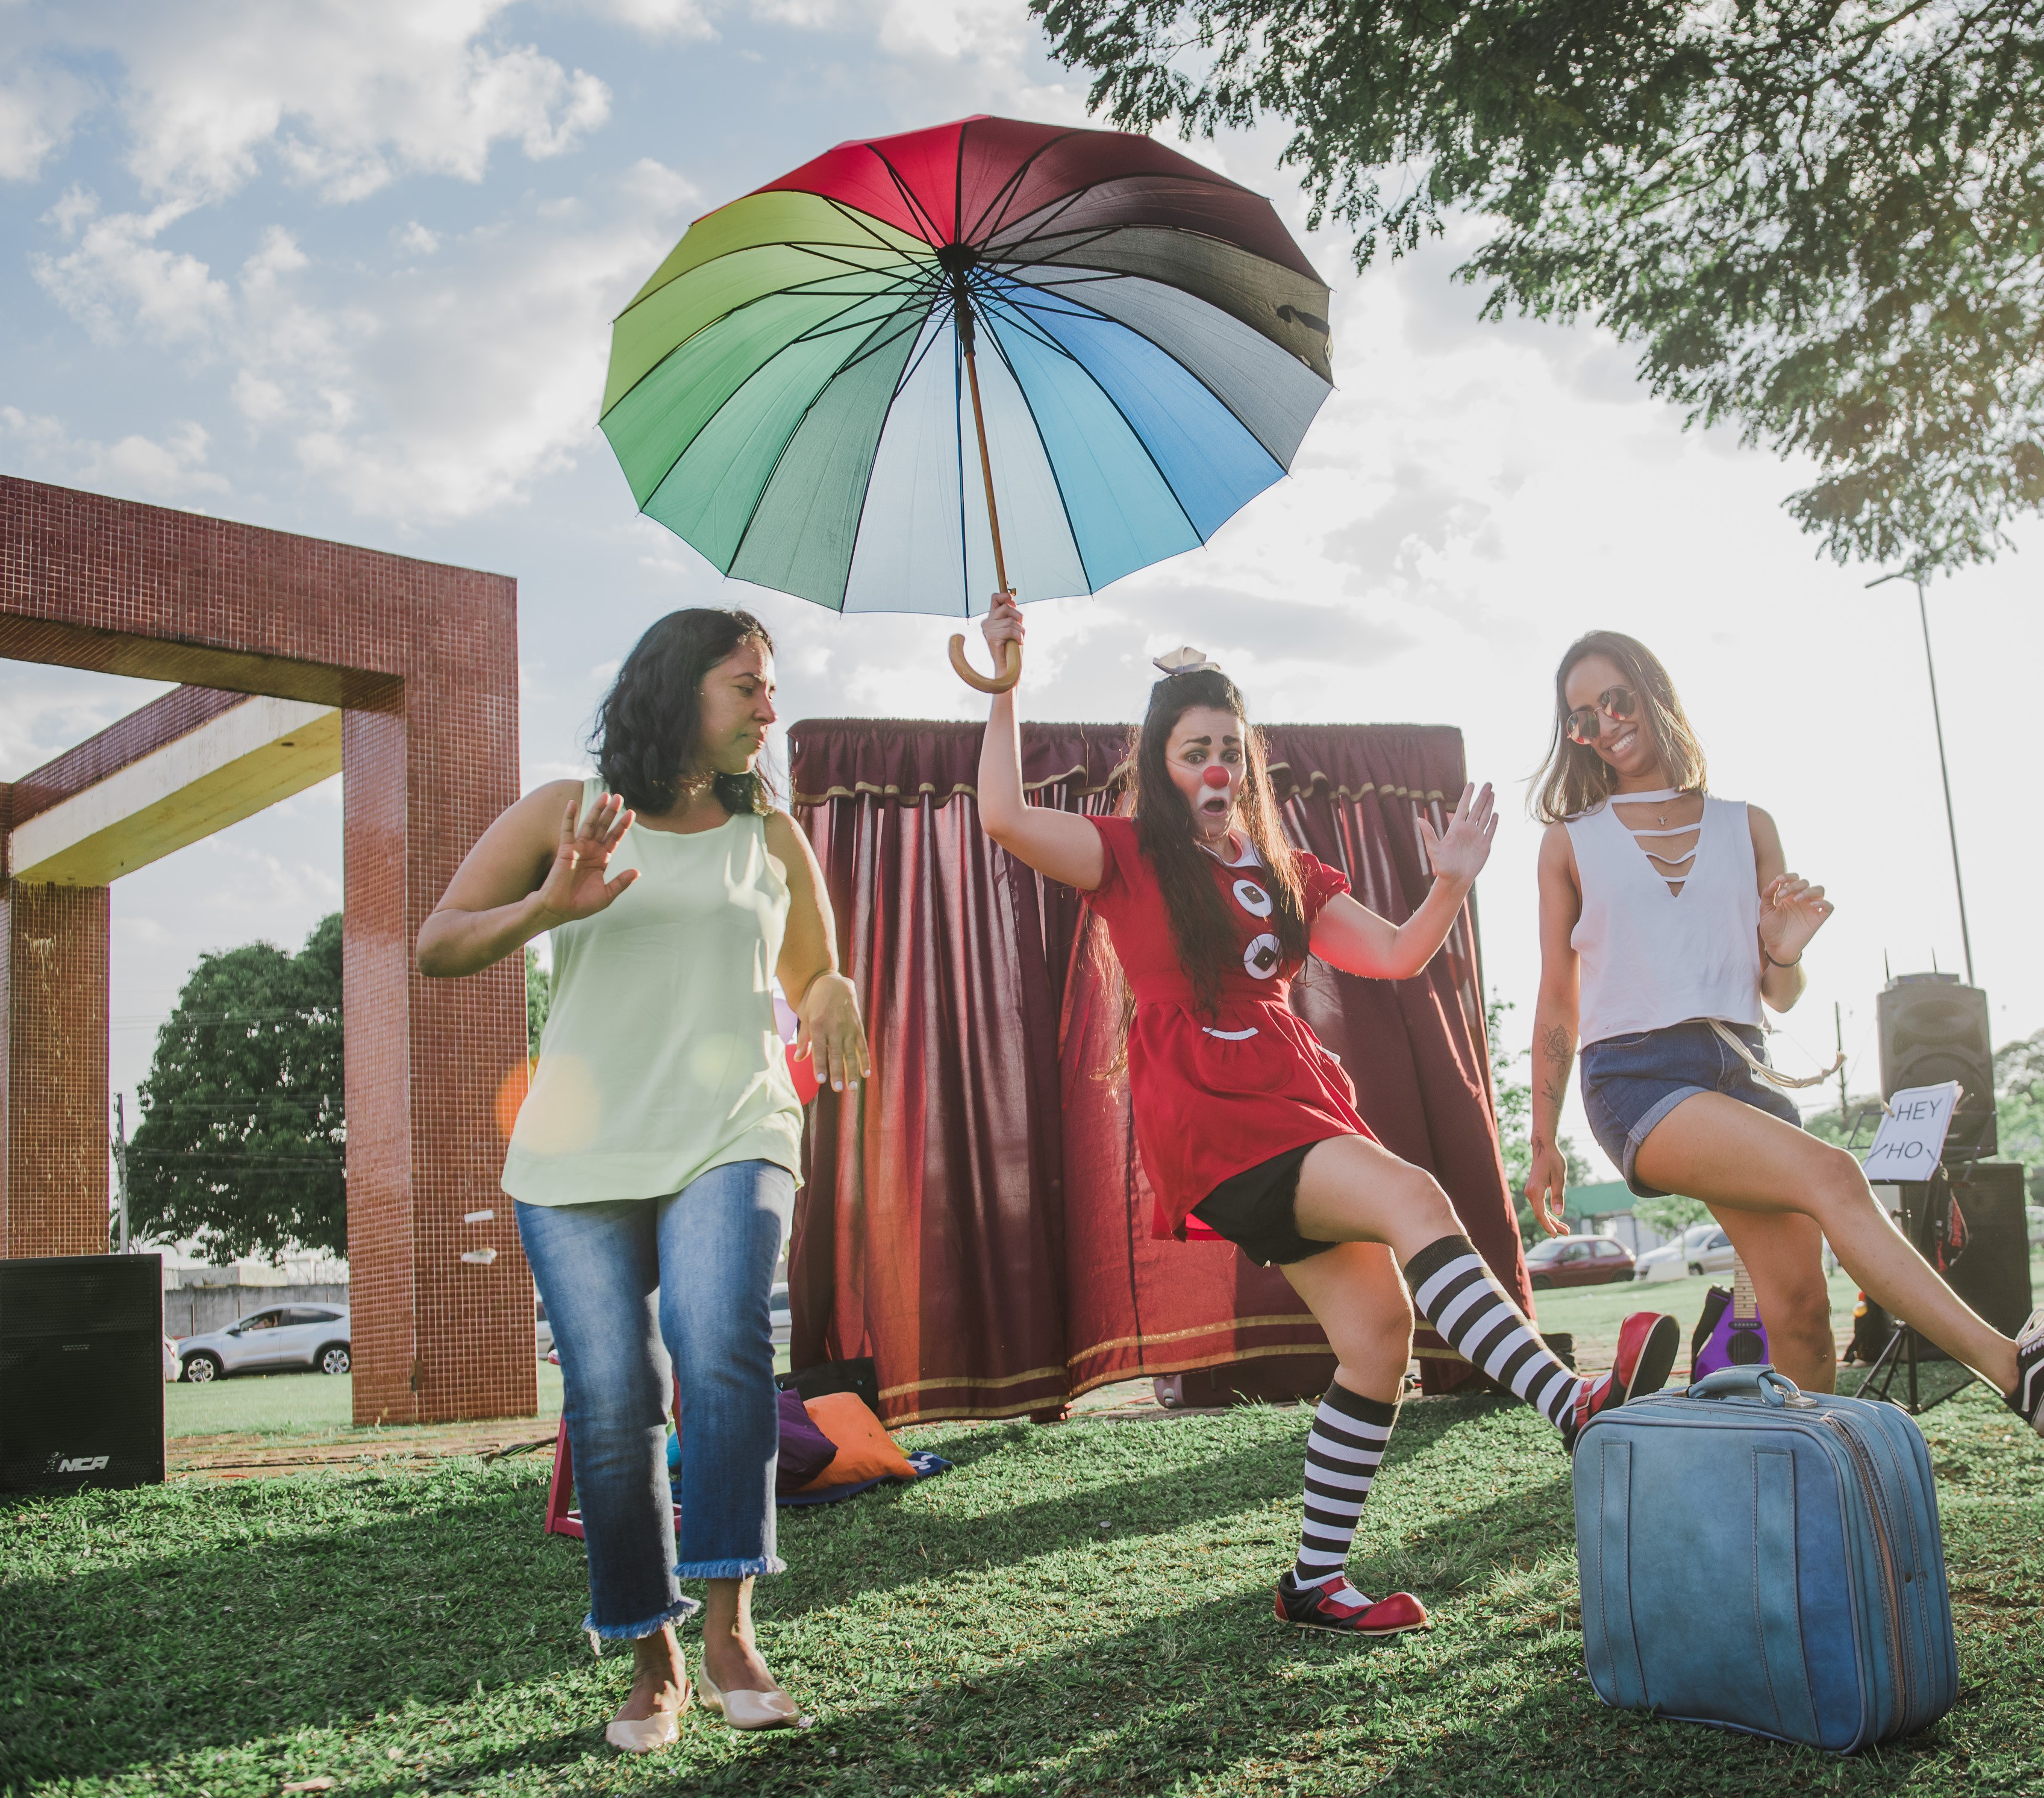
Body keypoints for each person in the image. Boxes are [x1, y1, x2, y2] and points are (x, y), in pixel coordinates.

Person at [971, 596, 1678, 1638]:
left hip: (1298, 1097)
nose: (1213, 762)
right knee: (1413, 1195)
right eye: (1191, 747)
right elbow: (1003, 816)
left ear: (1249, 761)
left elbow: (1395, 953)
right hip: (1214, 1114)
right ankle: (1570, 1404)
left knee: (1379, 1335)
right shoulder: (1123, 849)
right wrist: (1005, 684)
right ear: (1161, 763)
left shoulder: (1285, 870)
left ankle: (1314, 1579)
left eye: (1227, 746)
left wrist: (1448, 884)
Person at [418, 608, 869, 1753]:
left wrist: (832, 991)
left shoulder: (769, 834)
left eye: (771, 688)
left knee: (719, 1337)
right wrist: (546, 907)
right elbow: (438, 943)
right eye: (748, 685)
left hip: (733, 1124)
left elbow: (812, 964)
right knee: (613, 1395)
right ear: (678, 688)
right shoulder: (569, 812)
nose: (770, 709)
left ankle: (729, 1627)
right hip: (578, 1150)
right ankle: (651, 1650)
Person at [1522, 631, 2044, 1437]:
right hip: (1637, 1080)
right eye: (1582, 719)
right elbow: (1558, 1000)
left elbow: (1780, 992)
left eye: (1615, 699)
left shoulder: (1747, 826)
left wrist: (1784, 947)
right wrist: (1543, 1137)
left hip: (1742, 1071)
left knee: (1801, 1312)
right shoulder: (1571, 843)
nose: (1606, 724)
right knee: (1834, 1175)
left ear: (1652, 691)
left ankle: (1802, 1512)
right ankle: (2016, 1370)